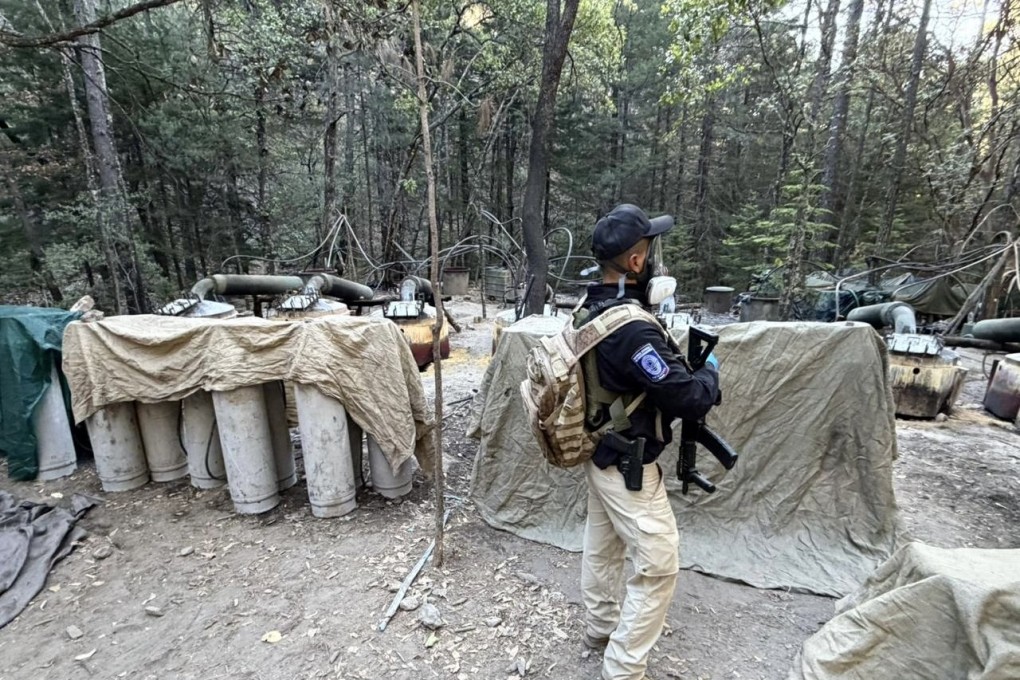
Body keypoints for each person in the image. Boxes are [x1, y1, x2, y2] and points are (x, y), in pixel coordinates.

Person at [581, 203, 720, 680]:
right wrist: (708, 374)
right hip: (629, 466)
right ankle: (622, 668)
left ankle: (600, 628)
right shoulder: (634, 329)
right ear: (636, 263)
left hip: (600, 453)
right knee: (659, 566)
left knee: (603, 548)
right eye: (651, 250)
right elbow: (687, 399)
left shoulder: (591, 307)